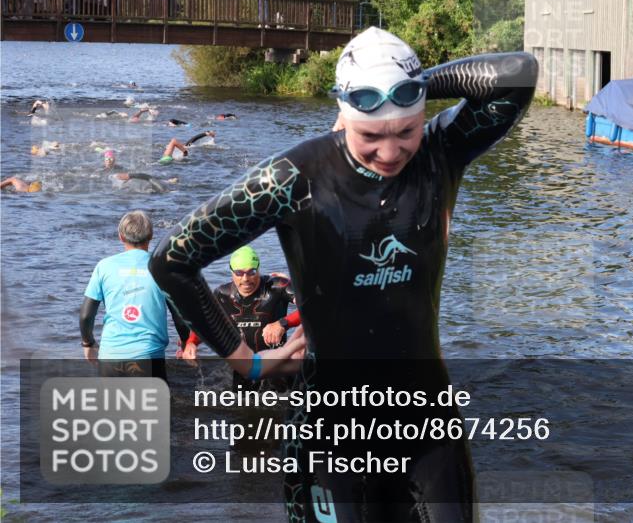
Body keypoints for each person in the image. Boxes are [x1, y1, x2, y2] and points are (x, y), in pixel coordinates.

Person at [149, 27, 537, 522]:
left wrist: (416, 83)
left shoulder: (441, 151)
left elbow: (517, 75)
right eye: (370, 135)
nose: (391, 152)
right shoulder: (293, 178)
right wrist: (242, 359)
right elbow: (172, 261)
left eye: (406, 131)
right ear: (343, 113)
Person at [80, 211, 187, 380]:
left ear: (121, 237)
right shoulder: (164, 267)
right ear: (151, 235)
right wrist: (187, 344)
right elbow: (179, 314)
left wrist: (88, 343)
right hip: (149, 356)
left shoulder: (104, 266)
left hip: (110, 357)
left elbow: (86, 315)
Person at [180, 246, 300, 388]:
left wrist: (283, 323)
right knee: (239, 400)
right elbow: (205, 321)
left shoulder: (277, 286)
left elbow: (311, 306)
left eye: (251, 272)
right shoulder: (222, 294)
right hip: (244, 367)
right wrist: (191, 343)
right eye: (239, 273)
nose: (245, 279)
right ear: (231, 272)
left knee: (285, 398)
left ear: (258, 269)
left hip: (276, 365)